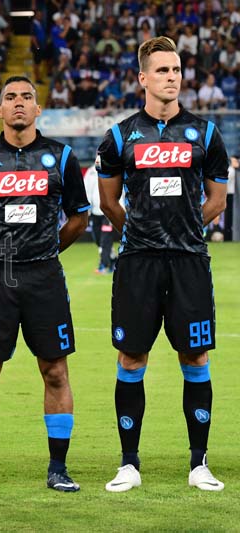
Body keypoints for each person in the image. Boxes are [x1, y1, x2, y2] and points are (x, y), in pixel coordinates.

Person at [97, 36, 229, 493]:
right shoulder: (120, 136)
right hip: (138, 264)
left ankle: (199, 464)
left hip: (190, 262)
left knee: (195, 355)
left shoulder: (206, 134)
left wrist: (186, 229)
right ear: (143, 78)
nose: (172, 77)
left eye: (176, 70)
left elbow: (217, 199)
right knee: (132, 356)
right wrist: (139, 234)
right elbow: (109, 201)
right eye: (162, 70)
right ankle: (128, 464)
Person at [0, 76, 90, 493]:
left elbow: (79, 217)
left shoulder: (61, 156)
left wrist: (46, 251)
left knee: (55, 371)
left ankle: (58, 468)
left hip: (45, 276)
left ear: (37, 108)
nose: (18, 103)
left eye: (26, 97)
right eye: (10, 97)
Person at [83, 164, 117, 273]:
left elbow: (120, 190)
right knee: (98, 239)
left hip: (109, 212)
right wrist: (87, 209)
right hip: (94, 212)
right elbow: (86, 190)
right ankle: (113, 259)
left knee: (105, 239)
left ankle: (104, 265)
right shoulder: (91, 172)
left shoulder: (114, 169)